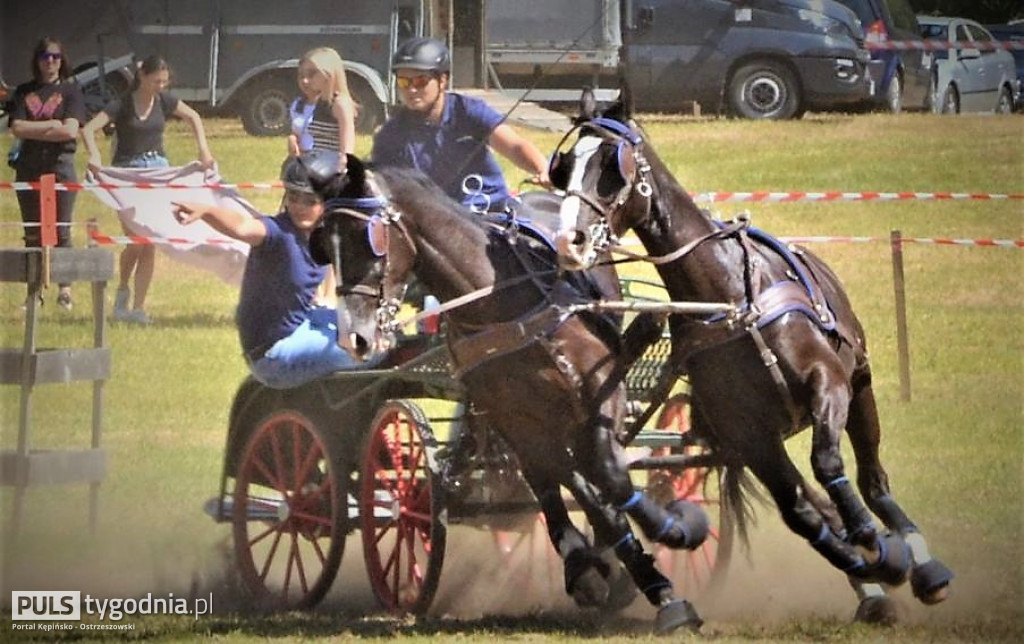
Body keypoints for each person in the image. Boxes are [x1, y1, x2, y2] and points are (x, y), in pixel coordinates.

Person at [171, 150, 368, 389]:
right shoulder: (277, 232)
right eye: (293, 197)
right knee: (372, 351)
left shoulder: (324, 234)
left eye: (310, 200)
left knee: (371, 329)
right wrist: (207, 211)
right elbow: (243, 227)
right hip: (274, 352)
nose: (299, 206)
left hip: (303, 324)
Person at [81, 55, 216, 324]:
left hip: (158, 172)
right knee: (135, 240)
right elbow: (89, 129)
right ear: (141, 76)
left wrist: (204, 150)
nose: (161, 87)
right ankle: (122, 292)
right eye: (156, 81)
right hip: (127, 174)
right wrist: (94, 155)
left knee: (150, 240)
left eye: (165, 82)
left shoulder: (164, 101)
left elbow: (194, 117)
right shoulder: (121, 104)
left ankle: (139, 308)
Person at [371, 37, 550, 214]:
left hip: (489, 209)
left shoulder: (467, 111)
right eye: (403, 82)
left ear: (443, 80)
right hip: (436, 223)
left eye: (420, 81)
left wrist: (543, 169)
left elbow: (514, 146)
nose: (411, 90)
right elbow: (385, 188)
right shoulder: (390, 134)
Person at [8, 37, 87, 310]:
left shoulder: (72, 91)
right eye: (45, 56)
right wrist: (52, 124)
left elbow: (70, 131)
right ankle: (34, 292)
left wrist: (41, 128)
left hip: (60, 167)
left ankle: (64, 290)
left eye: (55, 56)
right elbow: (16, 127)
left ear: (62, 59)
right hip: (28, 167)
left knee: (62, 230)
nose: (50, 61)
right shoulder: (23, 91)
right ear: (37, 60)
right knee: (33, 232)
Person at [286, 47, 356, 160]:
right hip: (314, 163)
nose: (305, 80)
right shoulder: (319, 103)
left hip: (331, 167)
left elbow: (348, 145)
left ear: (328, 74)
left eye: (312, 74)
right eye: (301, 75)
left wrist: (344, 164)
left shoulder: (340, 103)